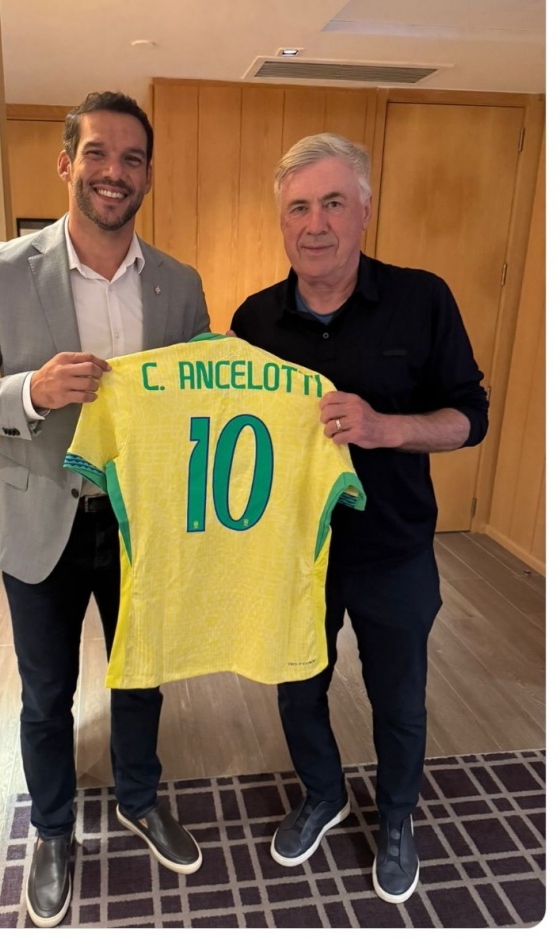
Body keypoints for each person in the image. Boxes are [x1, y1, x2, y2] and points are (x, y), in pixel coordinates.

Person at [0, 91, 210, 927]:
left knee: (143, 677)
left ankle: (139, 798)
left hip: (141, 525)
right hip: (40, 521)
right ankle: (53, 832)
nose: (114, 172)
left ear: (147, 175)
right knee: (46, 694)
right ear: (66, 164)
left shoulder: (180, 286)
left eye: (131, 158)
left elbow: (197, 403)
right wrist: (30, 392)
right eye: (97, 154)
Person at [230, 133, 489, 905]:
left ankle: (398, 817)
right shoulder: (253, 321)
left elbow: (470, 417)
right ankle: (323, 794)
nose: (315, 224)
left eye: (333, 203)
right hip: (291, 555)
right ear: (282, 221)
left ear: (365, 210)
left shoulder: (423, 299)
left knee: (398, 701)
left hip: (393, 552)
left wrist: (387, 427)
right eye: (298, 208)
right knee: (296, 690)